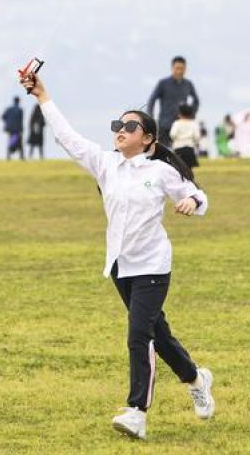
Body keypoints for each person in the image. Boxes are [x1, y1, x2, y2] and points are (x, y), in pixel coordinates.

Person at [19, 69, 214, 441]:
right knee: (159, 334)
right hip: (120, 268)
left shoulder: (158, 172)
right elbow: (67, 137)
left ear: (148, 139)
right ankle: (195, 377)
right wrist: (42, 95)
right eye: (118, 125)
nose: (120, 130)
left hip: (154, 267)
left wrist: (190, 200)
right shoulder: (105, 164)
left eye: (130, 126)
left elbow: (198, 195)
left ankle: (136, 411)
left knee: (139, 337)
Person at [146, 57, 200, 148]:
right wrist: (150, 118)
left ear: (185, 69)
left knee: (180, 155)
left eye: (182, 68)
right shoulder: (163, 83)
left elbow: (196, 101)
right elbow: (152, 100)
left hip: (181, 126)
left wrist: (191, 115)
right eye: (177, 68)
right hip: (165, 125)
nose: (179, 71)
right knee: (164, 154)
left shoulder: (188, 84)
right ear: (172, 68)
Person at [169, 104, 201, 169]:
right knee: (189, 169)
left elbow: (172, 134)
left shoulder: (177, 123)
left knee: (178, 168)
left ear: (180, 113)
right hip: (189, 149)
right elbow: (197, 136)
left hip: (178, 148)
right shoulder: (193, 123)